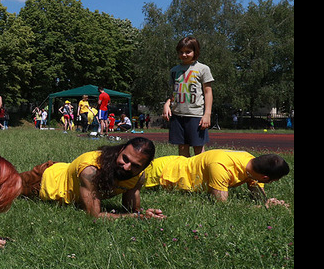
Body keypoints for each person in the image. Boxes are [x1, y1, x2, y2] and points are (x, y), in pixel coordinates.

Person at [18, 137, 164, 219]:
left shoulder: (138, 177)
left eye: (135, 165)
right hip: (43, 181)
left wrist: (146, 215)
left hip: (66, 173)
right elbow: (94, 216)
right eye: (125, 159)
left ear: (144, 167)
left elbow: (132, 210)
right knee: (2, 183)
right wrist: (135, 217)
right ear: (120, 150)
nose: (126, 167)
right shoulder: (91, 170)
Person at [141, 149, 290, 208]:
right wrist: (263, 207)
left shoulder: (252, 163)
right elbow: (222, 205)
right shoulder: (221, 166)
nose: (271, 183)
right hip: (162, 173)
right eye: (272, 181)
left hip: (174, 166)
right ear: (265, 177)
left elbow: (257, 195)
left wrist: (267, 202)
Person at [162, 35, 214, 157]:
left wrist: (207, 114)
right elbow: (175, 92)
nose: (184, 55)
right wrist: (167, 103)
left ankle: (199, 174)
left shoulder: (203, 69)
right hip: (178, 115)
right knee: (182, 148)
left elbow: (208, 92)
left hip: (195, 115)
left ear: (195, 51)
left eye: (188, 52)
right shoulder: (174, 70)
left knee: (198, 149)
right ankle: (185, 175)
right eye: (181, 52)